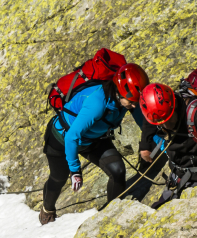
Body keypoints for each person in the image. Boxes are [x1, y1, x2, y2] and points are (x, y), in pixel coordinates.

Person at [40, 63, 150, 224]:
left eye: (136, 102)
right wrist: (75, 171)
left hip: (92, 139)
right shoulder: (97, 103)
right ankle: (47, 210)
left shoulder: (125, 99)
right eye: (132, 102)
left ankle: (110, 217)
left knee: (117, 170)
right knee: (59, 177)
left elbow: (144, 123)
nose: (134, 106)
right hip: (61, 137)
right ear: (119, 92)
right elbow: (72, 137)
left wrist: (156, 143)